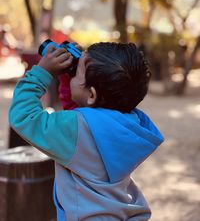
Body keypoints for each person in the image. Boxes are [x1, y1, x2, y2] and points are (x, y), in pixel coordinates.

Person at [9, 42, 164, 221]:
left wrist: (42, 73)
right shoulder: (128, 123)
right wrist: (70, 78)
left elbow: (23, 116)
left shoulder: (76, 129)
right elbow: (82, 116)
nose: (74, 74)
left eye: (78, 73)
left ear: (91, 95)